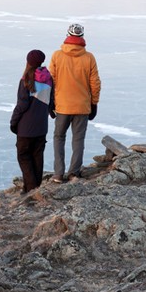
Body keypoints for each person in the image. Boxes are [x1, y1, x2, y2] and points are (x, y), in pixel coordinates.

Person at [48, 22, 101, 181]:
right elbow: (95, 83)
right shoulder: (89, 57)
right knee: (78, 140)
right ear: (82, 37)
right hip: (82, 106)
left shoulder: (57, 55)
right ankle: (74, 172)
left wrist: (50, 103)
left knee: (59, 137)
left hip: (62, 106)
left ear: (67, 36)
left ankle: (58, 173)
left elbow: (51, 80)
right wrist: (94, 104)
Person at [9, 49, 54, 192]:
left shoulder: (25, 81)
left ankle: (31, 188)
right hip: (41, 127)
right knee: (37, 156)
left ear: (28, 62)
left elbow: (22, 105)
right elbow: (51, 102)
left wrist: (13, 122)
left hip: (25, 128)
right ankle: (35, 187)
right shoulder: (49, 79)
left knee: (23, 156)